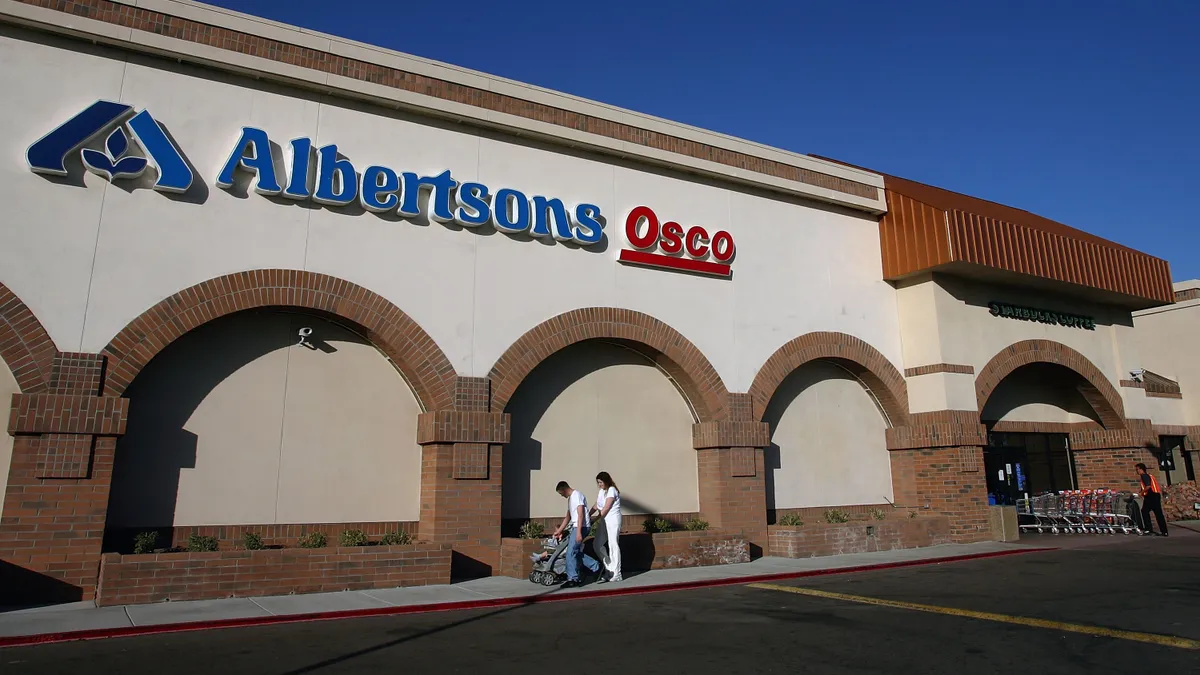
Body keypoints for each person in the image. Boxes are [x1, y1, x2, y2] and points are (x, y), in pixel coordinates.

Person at [552, 480, 600, 588]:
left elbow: (580, 514)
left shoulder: (577, 495)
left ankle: (573, 579)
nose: (561, 496)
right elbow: (568, 517)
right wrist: (559, 531)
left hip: (581, 527)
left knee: (570, 552)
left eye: (561, 493)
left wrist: (578, 533)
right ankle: (595, 566)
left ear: (564, 489)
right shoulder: (571, 499)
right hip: (577, 527)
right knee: (574, 552)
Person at [590, 471, 623, 583]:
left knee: (613, 544)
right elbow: (597, 505)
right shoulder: (602, 491)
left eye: (601, 482)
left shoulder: (612, 490)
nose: (599, 484)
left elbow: (606, 508)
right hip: (604, 521)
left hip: (613, 520)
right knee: (597, 544)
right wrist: (588, 515)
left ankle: (617, 573)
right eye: (598, 482)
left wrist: (594, 519)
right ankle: (609, 568)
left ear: (606, 481)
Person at [1135, 463, 1168, 537]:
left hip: (1151, 496)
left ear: (1141, 469)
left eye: (1137, 469)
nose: (1137, 471)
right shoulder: (1150, 476)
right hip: (1155, 495)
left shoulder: (1144, 476)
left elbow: (1148, 486)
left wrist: (1141, 493)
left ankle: (1148, 529)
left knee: (1146, 511)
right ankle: (1164, 531)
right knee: (1155, 513)